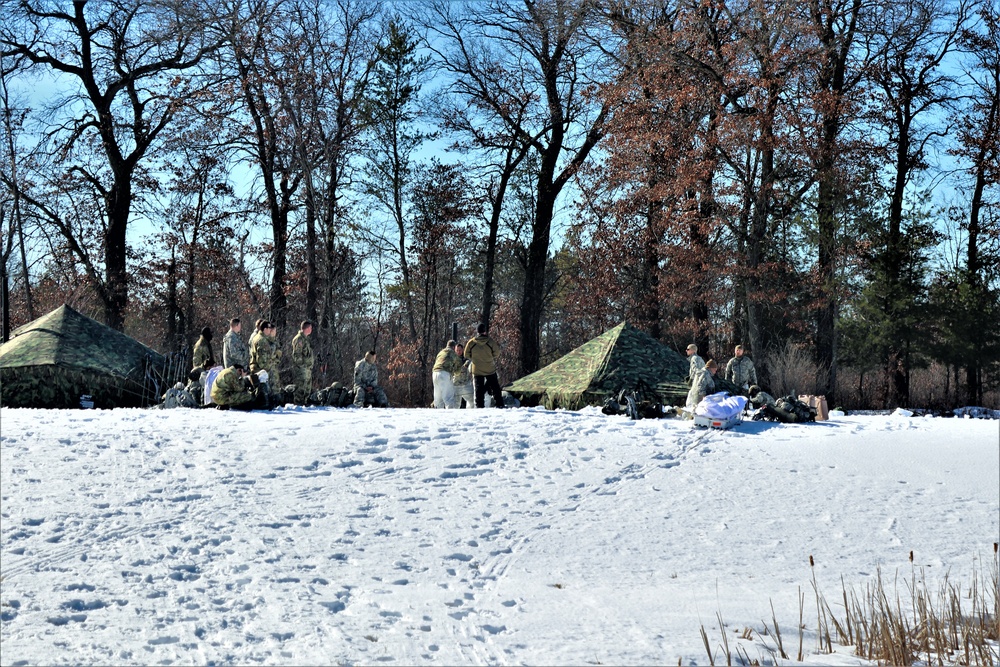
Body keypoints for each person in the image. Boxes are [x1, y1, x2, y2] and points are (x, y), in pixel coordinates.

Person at [465, 323, 504, 409]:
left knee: (479, 389)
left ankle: (480, 406)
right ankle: (499, 404)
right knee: (495, 387)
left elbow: (466, 354)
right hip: (489, 367)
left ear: (477, 331)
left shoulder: (471, 342)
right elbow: (497, 353)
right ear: (485, 331)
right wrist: (489, 357)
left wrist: (475, 358)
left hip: (477, 368)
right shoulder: (490, 341)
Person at [431, 340, 466, 408]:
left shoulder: (440, 352)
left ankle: (437, 415)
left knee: (438, 399)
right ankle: (450, 416)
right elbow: (458, 365)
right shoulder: (452, 353)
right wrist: (457, 373)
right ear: (453, 347)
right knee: (448, 398)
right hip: (444, 373)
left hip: (435, 373)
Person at [290, 320, 315, 404]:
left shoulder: (306, 339)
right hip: (302, 368)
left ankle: (305, 401)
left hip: (307, 367)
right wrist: (302, 365)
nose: (311, 330)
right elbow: (297, 354)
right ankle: (298, 403)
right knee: (301, 386)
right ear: (306, 328)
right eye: (310, 328)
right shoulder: (299, 339)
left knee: (307, 387)